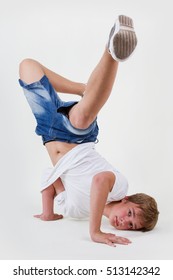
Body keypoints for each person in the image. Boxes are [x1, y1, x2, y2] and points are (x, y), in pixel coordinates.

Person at [19, 15, 159, 246]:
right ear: (126, 200)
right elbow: (99, 180)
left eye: (132, 225)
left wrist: (48, 213)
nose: (125, 222)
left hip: (48, 133)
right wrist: (95, 231)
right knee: (82, 116)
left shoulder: (77, 211)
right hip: (79, 140)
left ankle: (82, 88)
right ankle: (112, 50)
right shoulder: (118, 187)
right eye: (130, 214)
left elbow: (51, 180)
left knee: (27, 66)